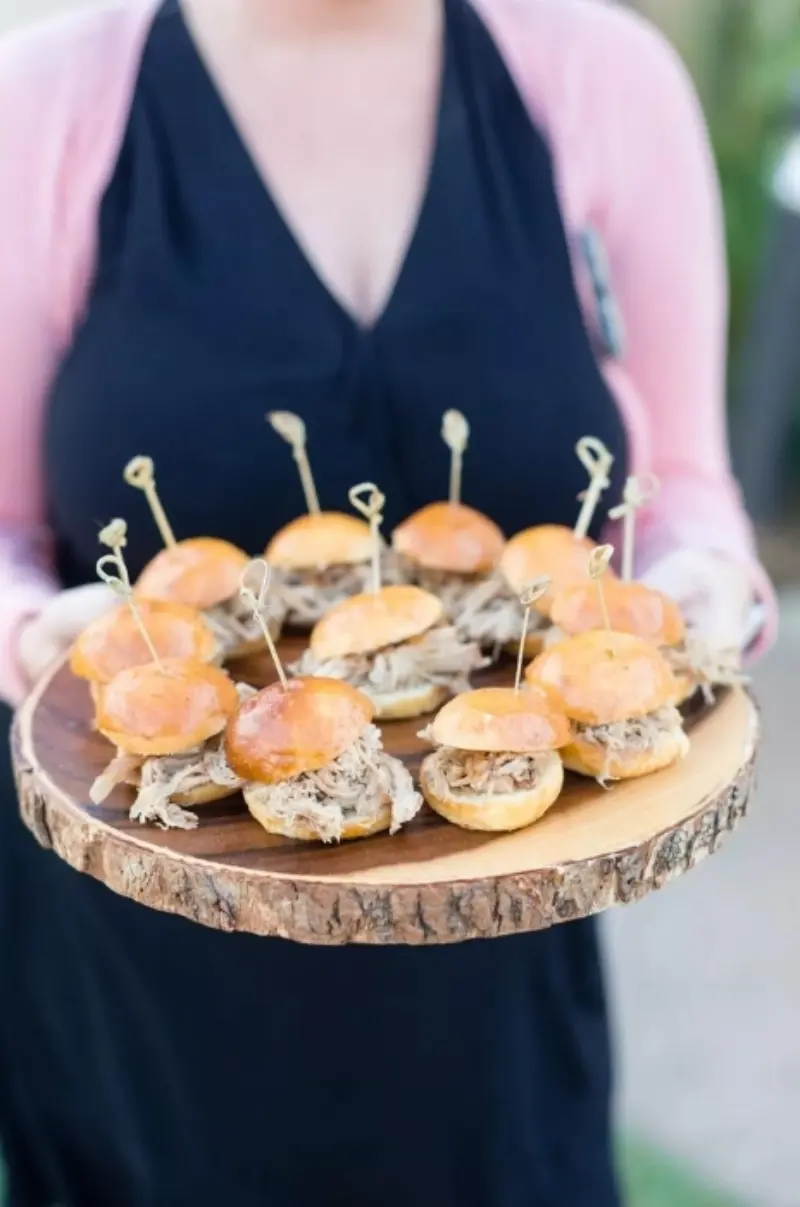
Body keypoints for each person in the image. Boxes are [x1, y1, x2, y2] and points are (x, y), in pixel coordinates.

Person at [0, 0, 777, 1204]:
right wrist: (34, 628)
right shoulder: (42, 100)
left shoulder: (602, 78)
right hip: (135, 980)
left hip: (493, 971)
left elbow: (681, 494)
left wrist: (702, 589)